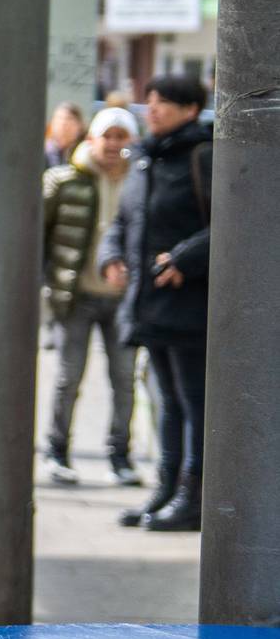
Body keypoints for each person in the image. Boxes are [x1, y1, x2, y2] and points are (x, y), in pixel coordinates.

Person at [103, 74, 212, 532]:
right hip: (151, 301)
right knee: (166, 399)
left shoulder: (205, 157)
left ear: (191, 109)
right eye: (151, 100)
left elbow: (237, 221)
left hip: (191, 302)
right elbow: (126, 219)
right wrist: (110, 254)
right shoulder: (147, 159)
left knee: (194, 403)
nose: (154, 109)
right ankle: (166, 490)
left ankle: (194, 496)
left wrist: (187, 258)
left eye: (165, 101)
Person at [40, 108, 139, 489]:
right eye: (107, 136)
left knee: (125, 380)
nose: (114, 144)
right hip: (76, 296)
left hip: (124, 300)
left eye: (121, 136)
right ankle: (57, 450)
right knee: (68, 377)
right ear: (91, 138)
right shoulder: (64, 180)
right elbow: (40, 237)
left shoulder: (140, 181)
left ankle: (121, 455)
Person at [43, 102, 88, 173]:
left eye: (69, 119)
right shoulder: (44, 152)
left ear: (80, 126)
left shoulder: (86, 154)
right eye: (59, 118)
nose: (63, 123)